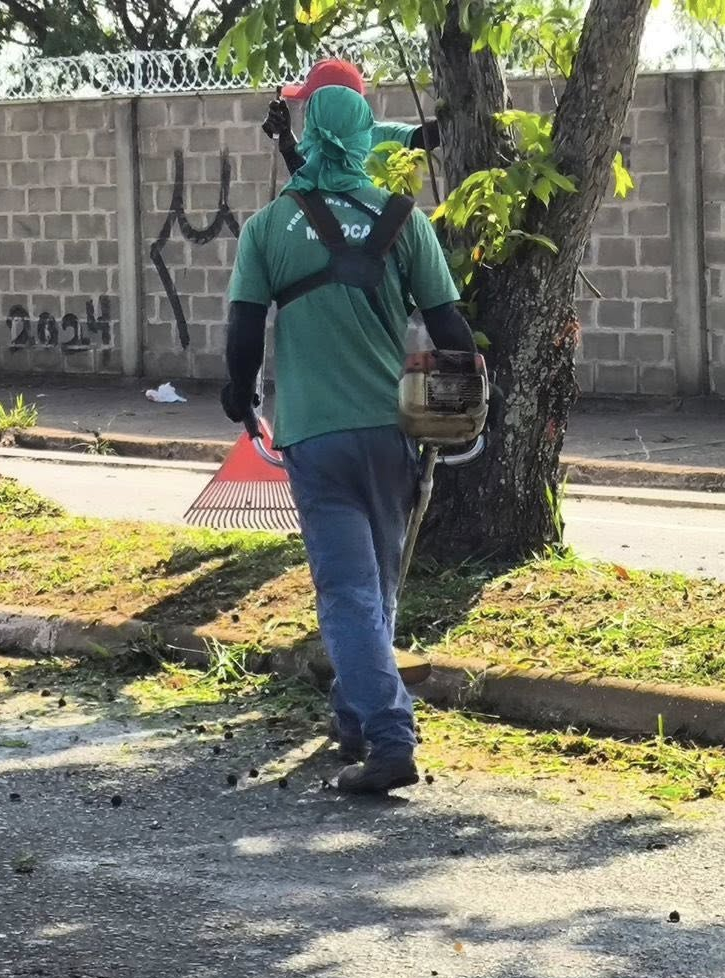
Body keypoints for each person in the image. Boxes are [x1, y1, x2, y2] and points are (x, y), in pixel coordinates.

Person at [221, 85, 476, 795]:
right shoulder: (403, 220)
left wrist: (238, 396)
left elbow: (243, 330)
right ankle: (355, 720)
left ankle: (391, 736)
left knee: (348, 593)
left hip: (316, 437)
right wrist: (475, 402)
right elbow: (450, 329)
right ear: (367, 136)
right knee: (378, 588)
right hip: (394, 436)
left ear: (310, 131)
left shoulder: (270, 227)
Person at [264, 58, 440, 177]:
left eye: (311, 102)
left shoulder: (379, 137)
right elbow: (311, 188)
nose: (303, 108)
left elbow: (424, 136)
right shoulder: (316, 145)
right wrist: (286, 142)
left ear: (336, 102)